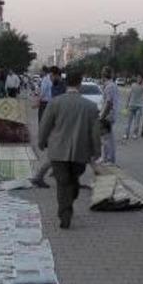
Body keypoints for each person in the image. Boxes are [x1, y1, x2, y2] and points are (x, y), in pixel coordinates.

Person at [38, 70, 101, 229]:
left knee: (64, 183)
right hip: (80, 152)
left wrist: (41, 141)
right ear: (80, 84)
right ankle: (66, 213)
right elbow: (95, 132)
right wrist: (96, 151)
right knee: (71, 181)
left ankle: (65, 209)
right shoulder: (90, 106)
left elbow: (45, 125)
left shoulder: (55, 103)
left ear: (66, 83)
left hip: (58, 151)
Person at [100, 66, 119, 164]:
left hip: (108, 116)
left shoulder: (109, 86)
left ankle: (108, 159)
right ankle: (107, 158)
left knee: (106, 138)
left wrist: (102, 116)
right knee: (108, 138)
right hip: (110, 115)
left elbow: (108, 103)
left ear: (103, 75)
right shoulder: (112, 85)